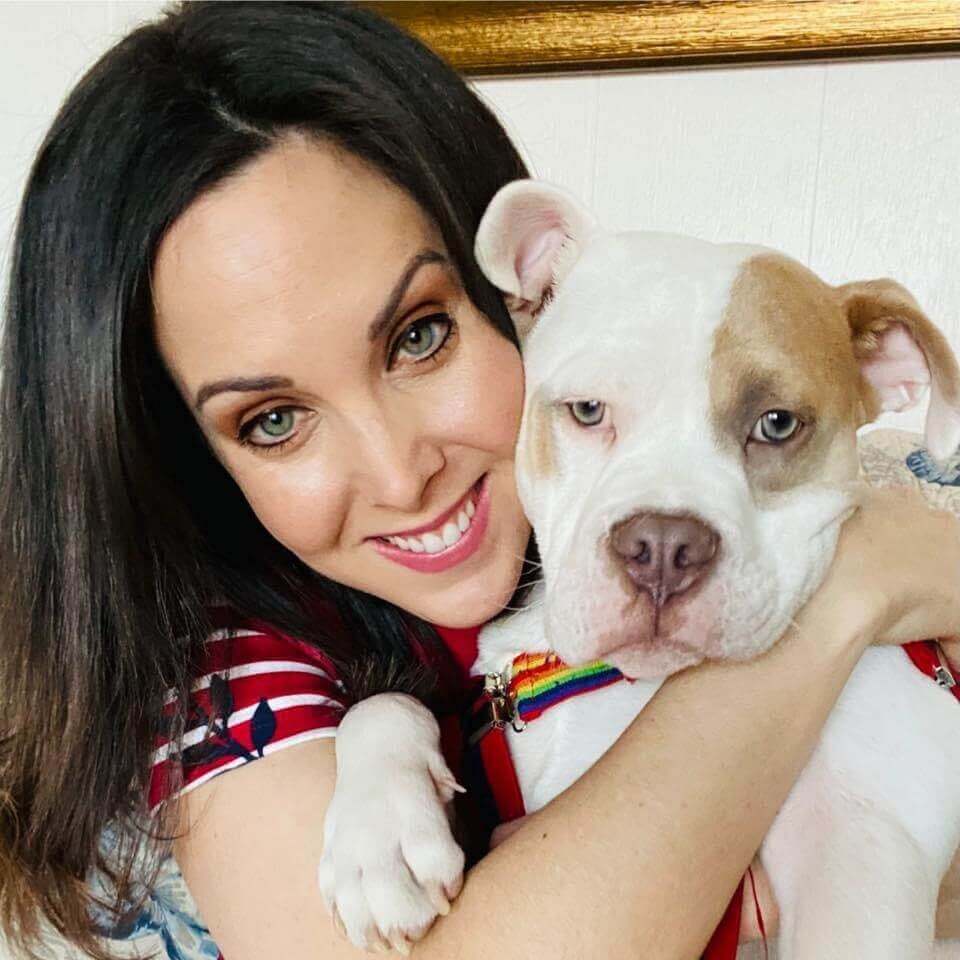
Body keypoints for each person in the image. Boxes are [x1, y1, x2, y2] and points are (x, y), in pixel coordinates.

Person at [2, 3, 959, 958]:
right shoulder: (226, 667)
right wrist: (848, 594)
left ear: (513, 295)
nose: (399, 473)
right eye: (274, 420)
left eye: (419, 336)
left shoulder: (593, 523)